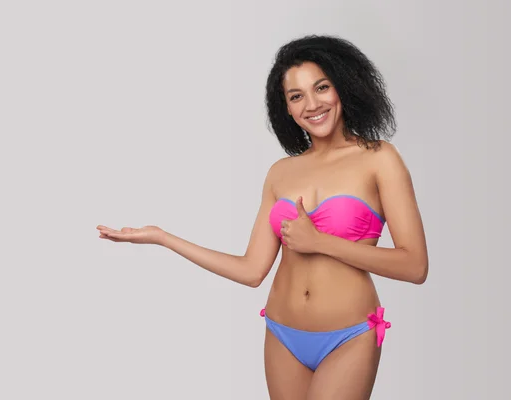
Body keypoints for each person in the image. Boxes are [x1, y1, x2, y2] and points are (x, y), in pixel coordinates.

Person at [97, 35, 428, 400]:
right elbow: (252, 270)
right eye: (296, 96)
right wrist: (164, 238)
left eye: (322, 88)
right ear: (285, 108)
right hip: (282, 333)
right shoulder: (280, 172)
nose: (312, 104)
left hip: (348, 335)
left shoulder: (379, 158)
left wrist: (320, 242)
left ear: (343, 88)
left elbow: (414, 266)